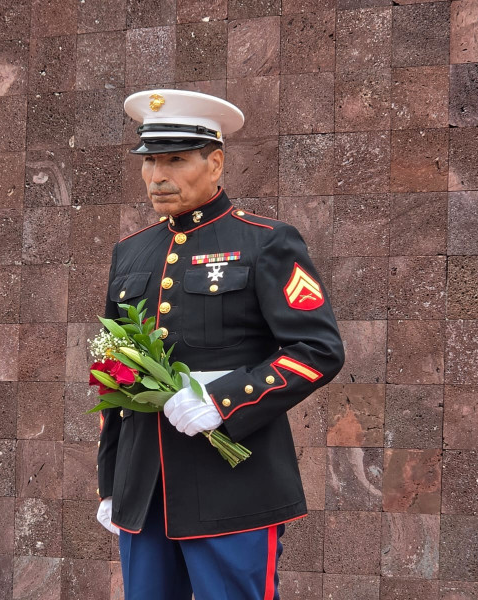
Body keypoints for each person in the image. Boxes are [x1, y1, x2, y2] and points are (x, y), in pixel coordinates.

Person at [95, 89, 345, 600]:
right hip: (144, 492)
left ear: (215, 162)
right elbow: (111, 371)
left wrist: (223, 400)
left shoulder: (266, 242)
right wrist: (110, 481)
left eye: (176, 161)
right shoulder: (131, 252)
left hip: (234, 487)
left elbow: (317, 349)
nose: (157, 176)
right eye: (149, 162)